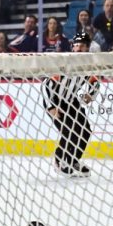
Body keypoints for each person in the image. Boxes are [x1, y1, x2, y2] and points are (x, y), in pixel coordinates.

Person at [41, 32, 98, 177]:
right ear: (72, 47)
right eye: (77, 45)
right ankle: (60, 162)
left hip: (72, 101)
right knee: (68, 132)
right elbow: (46, 85)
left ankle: (73, 160)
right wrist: (51, 107)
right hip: (55, 101)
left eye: (83, 46)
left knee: (84, 132)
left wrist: (90, 95)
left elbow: (95, 82)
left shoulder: (87, 65)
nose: (79, 48)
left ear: (87, 48)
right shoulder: (64, 63)